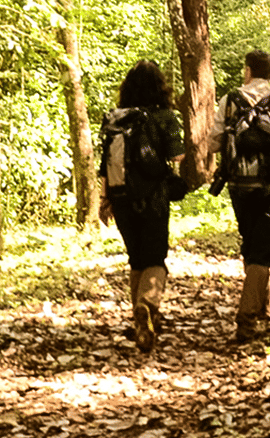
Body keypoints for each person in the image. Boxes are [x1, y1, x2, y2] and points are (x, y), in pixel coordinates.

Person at [208, 49, 270, 342]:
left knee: (251, 239)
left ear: (248, 70)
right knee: (266, 246)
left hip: (237, 183)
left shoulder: (229, 101)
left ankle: (264, 305)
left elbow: (214, 144)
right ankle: (248, 315)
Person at [99, 60, 185, 352]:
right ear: (160, 86)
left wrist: (104, 200)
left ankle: (142, 322)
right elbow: (178, 157)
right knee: (155, 259)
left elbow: (104, 165)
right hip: (154, 196)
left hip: (120, 196)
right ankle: (146, 305)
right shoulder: (164, 116)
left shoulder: (113, 119)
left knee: (136, 258)